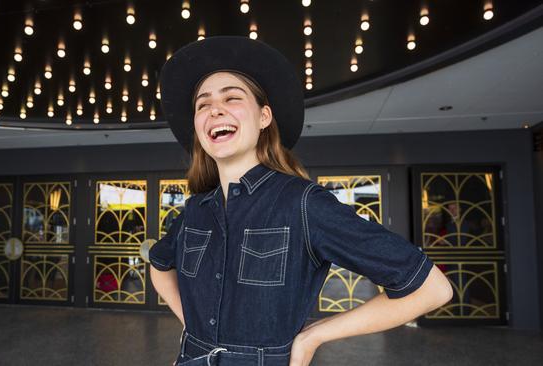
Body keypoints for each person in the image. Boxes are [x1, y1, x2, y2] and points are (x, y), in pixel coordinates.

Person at [149, 36, 453, 366]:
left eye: (232, 97)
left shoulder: (303, 204)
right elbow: (160, 266)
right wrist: (192, 328)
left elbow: (432, 289)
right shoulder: (195, 210)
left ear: (264, 117)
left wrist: (314, 336)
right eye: (202, 104)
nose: (215, 109)